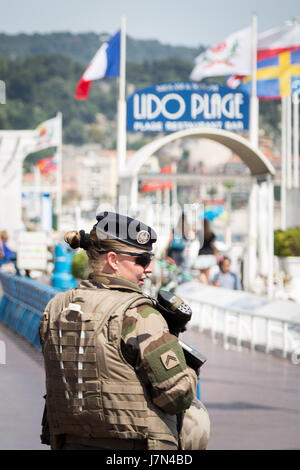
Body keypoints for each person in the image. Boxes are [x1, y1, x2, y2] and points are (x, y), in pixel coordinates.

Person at [39, 211, 199, 451]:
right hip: (135, 447)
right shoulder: (139, 314)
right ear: (113, 260)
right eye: (142, 260)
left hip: (69, 443)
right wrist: (188, 369)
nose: (150, 268)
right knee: (198, 420)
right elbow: (177, 395)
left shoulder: (56, 308)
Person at [193, 218, 219, 284]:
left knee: (202, 274)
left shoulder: (199, 233)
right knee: (208, 274)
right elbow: (213, 245)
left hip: (201, 255)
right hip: (210, 255)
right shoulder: (211, 234)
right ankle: (207, 287)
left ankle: (202, 286)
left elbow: (192, 238)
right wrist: (216, 255)